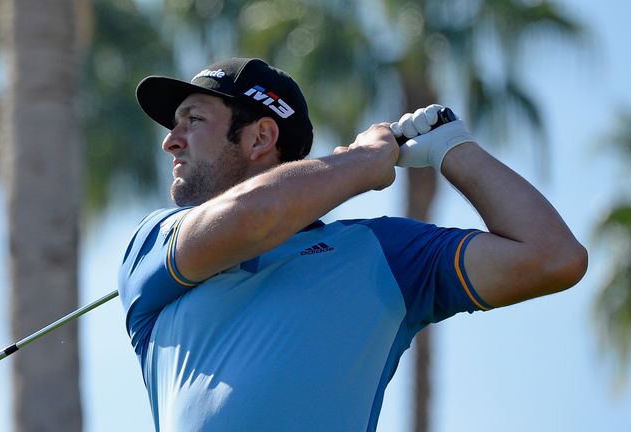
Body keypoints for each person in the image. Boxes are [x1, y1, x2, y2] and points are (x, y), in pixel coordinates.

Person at [118, 57, 587, 431]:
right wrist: (363, 163)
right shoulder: (151, 245)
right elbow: (256, 217)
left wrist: (454, 150)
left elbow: (553, 258)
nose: (170, 142)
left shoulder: (383, 252)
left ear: (261, 136)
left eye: (193, 120)